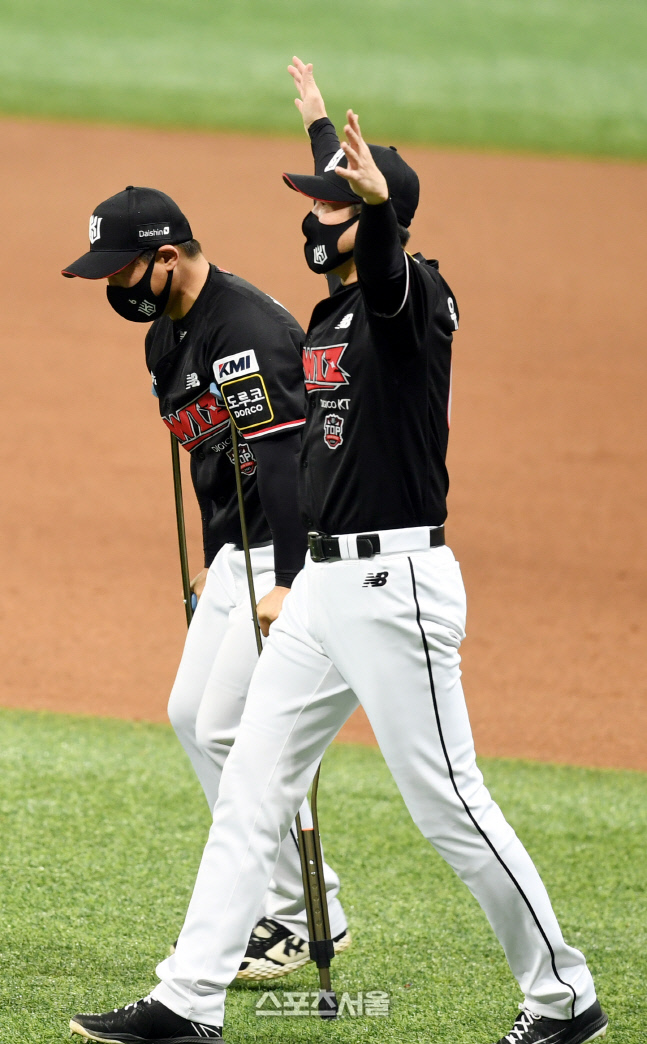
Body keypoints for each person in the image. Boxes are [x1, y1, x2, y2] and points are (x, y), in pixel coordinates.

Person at [69, 62, 608, 1044]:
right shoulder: (338, 308)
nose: (314, 220)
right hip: (322, 584)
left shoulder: (410, 308)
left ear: (376, 222)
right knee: (251, 785)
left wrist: (376, 207)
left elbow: (388, 251)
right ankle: (187, 1002)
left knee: (449, 806)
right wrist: (319, 128)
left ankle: (563, 996)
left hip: (395, 583)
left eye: (334, 208)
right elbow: (361, 224)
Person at [61, 184, 349, 983]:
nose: (115, 290)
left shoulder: (246, 332)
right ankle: (289, 897)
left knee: (230, 728)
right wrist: (219, 556)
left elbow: (290, 464)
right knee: (192, 715)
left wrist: (289, 581)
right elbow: (210, 458)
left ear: (166, 256)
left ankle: (296, 913)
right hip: (238, 552)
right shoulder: (167, 339)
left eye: (121, 273)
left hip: (288, 550)